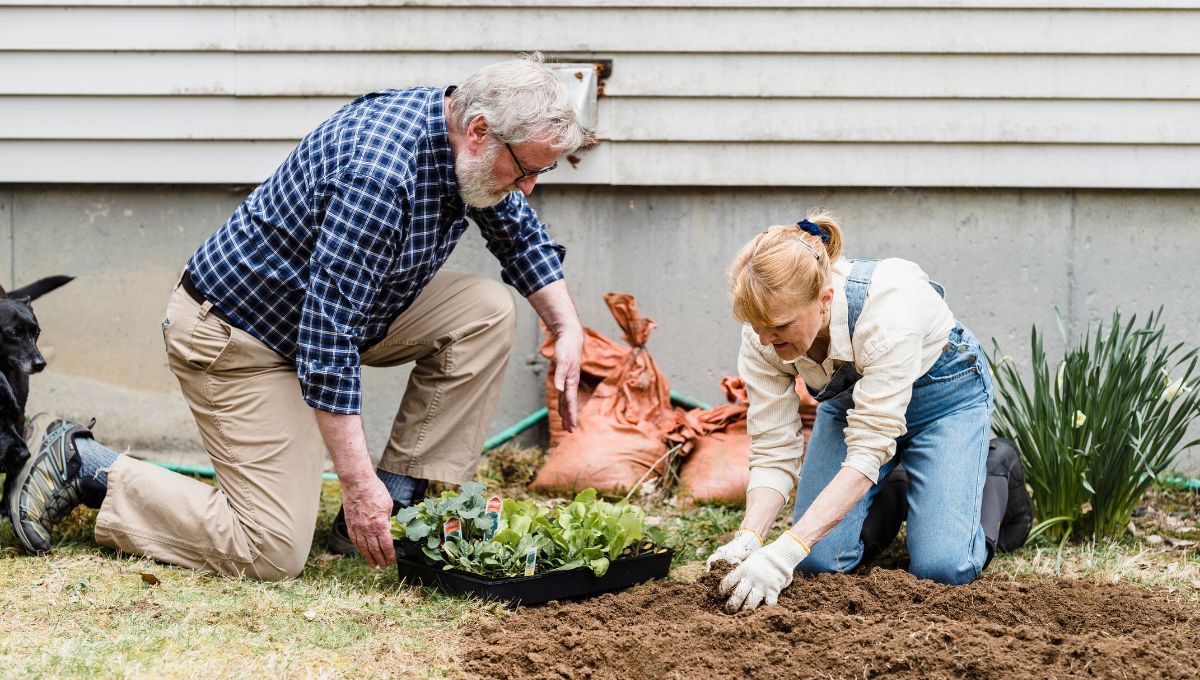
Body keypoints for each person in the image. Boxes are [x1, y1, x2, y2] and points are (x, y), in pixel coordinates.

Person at [8, 54, 591, 580]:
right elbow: (327, 340)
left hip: (335, 312)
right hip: (239, 340)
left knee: (484, 312)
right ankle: (83, 464)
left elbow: (515, 230)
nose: (529, 187)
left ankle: (401, 499)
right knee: (270, 549)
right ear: (479, 132)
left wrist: (566, 327)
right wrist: (356, 485)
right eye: (524, 171)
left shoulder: (465, 133)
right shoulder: (380, 175)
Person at [707, 209, 1030, 612]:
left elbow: (866, 453)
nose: (767, 341)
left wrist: (783, 551)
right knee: (816, 563)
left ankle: (996, 470)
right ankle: (895, 487)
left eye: (781, 327)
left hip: (945, 400)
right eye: (758, 328)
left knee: (944, 568)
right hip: (854, 409)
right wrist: (751, 538)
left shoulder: (887, 311)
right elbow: (774, 449)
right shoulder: (764, 332)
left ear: (823, 300)